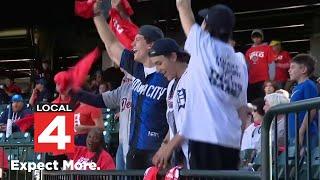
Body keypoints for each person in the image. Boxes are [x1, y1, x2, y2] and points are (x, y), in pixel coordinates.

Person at [93, 0, 168, 169]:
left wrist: (167, 145)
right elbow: (112, 45)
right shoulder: (136, 68)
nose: (132, 44)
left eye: (137, 40)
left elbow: (179, 117)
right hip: (135, 152)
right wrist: (96, 15)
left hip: (159, 154)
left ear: (151, 45)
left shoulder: (170, 75)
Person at [175, 1, 248, 170]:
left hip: (205, 138)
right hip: (231, 141)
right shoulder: (239, 61)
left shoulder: (202, 45)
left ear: (206, 26)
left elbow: (183, 7)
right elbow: (242, 110)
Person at [71, 73, 132, 170]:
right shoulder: (76, 107)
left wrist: (84, 128)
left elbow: (100, 127)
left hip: (85, 140)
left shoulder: (93, 107)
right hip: (76, 142)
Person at [147, 38, 190, 169]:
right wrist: (164, 146)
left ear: (172, 56)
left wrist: (170, 146)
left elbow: (196, 120)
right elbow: (174, 123)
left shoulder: (194, 77)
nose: (158, 70)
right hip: (181, 159)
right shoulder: (171, 85)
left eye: (159, 63)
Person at [288, 54, 318, 149]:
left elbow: (312, 109)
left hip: (306, 135)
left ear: (303, 70)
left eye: (293, 67)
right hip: (294, 134)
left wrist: (301, 132)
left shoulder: (308, 84)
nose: (289, 70)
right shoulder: (295, 88)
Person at [245, 29, 274, 102]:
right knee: (252, 102)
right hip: (252, 80)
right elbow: (246, 67)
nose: (256, 38)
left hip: (264, 80)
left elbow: (271, 63)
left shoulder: (267, 48)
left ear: (262, 38)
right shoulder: (248, 51)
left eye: (258, 36)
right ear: (252, 38)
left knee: (264, 100)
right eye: (254, 37)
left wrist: (271, 78)